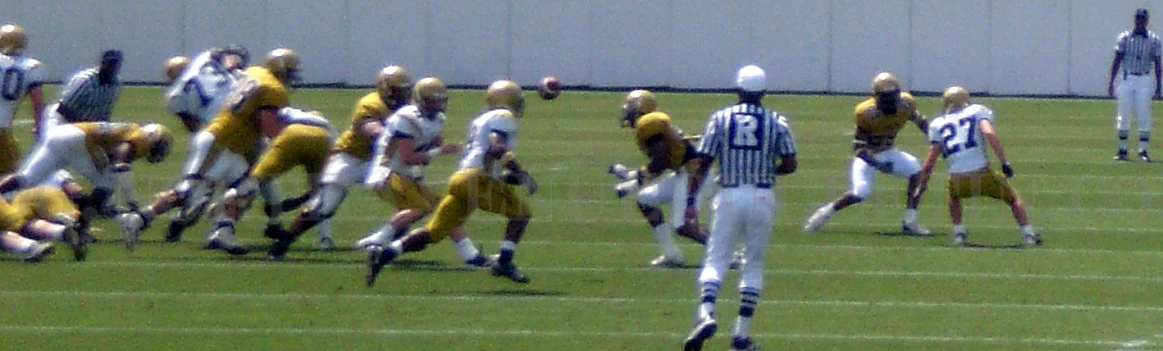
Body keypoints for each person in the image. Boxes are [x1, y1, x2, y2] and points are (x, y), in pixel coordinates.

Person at [117, 48, 299, 254]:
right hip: (219, 143)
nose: (293, 77)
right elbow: (269, 128)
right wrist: (294, 131)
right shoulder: (274, 89)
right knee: (188, 192)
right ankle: (139, 219)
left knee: (247, 186)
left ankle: (223, 231)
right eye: (291, 71)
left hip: (226, 141)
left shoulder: (256, 72)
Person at [365, 80, 537, 286]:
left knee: (433, 232)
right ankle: (505, 262)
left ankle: (384, 254)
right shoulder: (503, 117)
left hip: (460, 179)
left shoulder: (481, 119)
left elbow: (485, 159)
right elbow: (496, 147)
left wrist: (509, 177)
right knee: (521, 213)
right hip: (476, 178)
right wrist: (520, 171)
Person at [680, 65, 797, 351]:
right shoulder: (776, 121)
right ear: (764, 93)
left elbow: (703, 162)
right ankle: (740, 335)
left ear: (738, 90)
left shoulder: (720, 118)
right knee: (753, 264)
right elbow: (791, 163)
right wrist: (766, 170)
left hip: (730, 194)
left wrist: (691, 201)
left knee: (716, 259)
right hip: (762, 196)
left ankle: (706, 312)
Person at [268, 65, 412, 251]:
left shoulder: (408, 110)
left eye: (404, 90)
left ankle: (392, 246)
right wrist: (403, 138)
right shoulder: (370, 104)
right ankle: (285, 240)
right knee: (325, 207)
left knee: (409, 201)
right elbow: (374, 131)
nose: (403, 95)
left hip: (378, 162)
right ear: (386, 89)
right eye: (398, 91)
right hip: (350, 157)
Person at [351, 77, 491, 267]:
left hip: (404, 173)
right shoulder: (406, 118)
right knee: (421, 207)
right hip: (386, 172)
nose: (438, 104)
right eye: (433, 99)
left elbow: (428, 147)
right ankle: (377, 240)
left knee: (445, 210)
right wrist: (439, 151)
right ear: (421, 100)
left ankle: (470, 254)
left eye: (441, 99)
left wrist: (437, 146)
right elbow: (408, 157)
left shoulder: (438, 120)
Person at [192, 107, 333, 257]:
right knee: (319, 195)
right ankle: (324, 239)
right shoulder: (325, 124)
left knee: (253, 182)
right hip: (323, 140)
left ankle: (225, 209)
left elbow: (267, 134)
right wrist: (296, 201)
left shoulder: (287, 112)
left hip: (292, 134)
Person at [803, 72, 930, 236]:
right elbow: (858, 148)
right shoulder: (866, 113)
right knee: (861, 192)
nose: (890, 103)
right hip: (868, 156)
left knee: (916, 172)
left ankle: (910, 221)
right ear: (876, 97)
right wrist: (878, 165)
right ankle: (825, 212)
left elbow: (921, 122)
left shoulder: (906, 103)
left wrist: (936, 139)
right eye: (886, 99)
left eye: (892, 97)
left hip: (889, 151)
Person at [606, 89, 722, 268]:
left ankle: (730, 255)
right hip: (684, 172)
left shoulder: (648, 124)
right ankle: (671, 254)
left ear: (640, 107)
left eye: (630, 106)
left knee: (683, 226)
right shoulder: (651, 125)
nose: (627, 110)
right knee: (645, 199)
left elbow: (662, 161)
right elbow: (662, 163)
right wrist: (634, 176)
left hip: (695, 175)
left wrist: (633, 183)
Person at [915, 87, 1043, 247]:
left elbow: (930, 160)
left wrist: (923, 183)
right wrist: (1004, 162)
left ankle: (959, 232)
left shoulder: (937, 123)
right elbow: (989, 133)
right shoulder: (977, 110)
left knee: (953, 196)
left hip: (956, 177)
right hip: (981, 173)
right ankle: (1028, 233)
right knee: (1013, 198)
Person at [1109, 8, 1163, 161]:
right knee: (1124, 114)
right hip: (1127, 78)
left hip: (1144, 79)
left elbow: (1158, 64)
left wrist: (1159, 86)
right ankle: (1122, 149)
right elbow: (1117, 59)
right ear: (1134, 20)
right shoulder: (1125, 38)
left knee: (1144, 114)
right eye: (1138, 18)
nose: (1140, 21)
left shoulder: (1154, 40)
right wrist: (1111, 82)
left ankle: (1143, 151)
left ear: (1146, 20)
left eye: (1142, 19)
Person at [164, 45, 249, 133]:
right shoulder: (202, 58)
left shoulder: (174, 97)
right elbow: (232, 55)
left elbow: (193, 126)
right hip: (237, 97)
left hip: (217, 115)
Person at [0, 24, 46, 174]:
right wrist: (40, 128)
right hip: (2, 130)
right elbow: (38, 104)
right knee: (13, 178)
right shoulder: (31, 66)